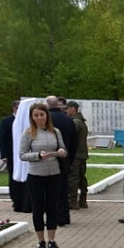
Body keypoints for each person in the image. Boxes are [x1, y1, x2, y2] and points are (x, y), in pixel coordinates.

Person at [19, 102, 67, 248]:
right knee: (38, 208)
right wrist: (38, 155)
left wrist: (61, 151)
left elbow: (64, 149)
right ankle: (41, 241)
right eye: (36, 115)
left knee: (52, 207)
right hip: (36, 175)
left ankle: (52, 240)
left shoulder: (55, 132)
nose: (39, 118)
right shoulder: (28, 133)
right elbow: (22, 155)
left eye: (42, 115)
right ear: (32, 117)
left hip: (54, 174)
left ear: (47, 115)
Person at [46, 96, 76, 226]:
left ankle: (53, 218)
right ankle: (64, 216)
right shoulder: (68, 120)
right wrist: (69, 159)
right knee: (63, 189)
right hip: (65, 159)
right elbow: (74, 143)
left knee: (50, 191)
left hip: (48, 160)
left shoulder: (46, 120)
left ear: (47, 105)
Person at [0, 100, 31, 213]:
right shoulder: (7, 121)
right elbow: (2, 139)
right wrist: (4, 155)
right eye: (17, 108)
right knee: (14, 180)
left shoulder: (27, 121)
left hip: (25, 156)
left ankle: (26, 202)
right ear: (14, 108)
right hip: (12, 156)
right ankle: (16, 201)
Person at [65, 101, 89, 209]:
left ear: (73, 109)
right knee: (81, 177)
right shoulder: (81, 122)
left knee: (73, 178)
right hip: (82, 154)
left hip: (76, 155)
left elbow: (71, 138)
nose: (66, 111)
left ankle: (73, 202)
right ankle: (83, 200)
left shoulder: (75, 122)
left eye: (67, 109)